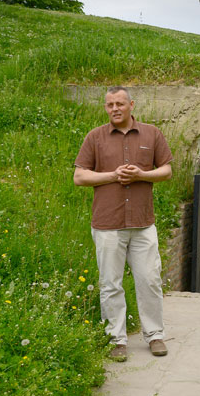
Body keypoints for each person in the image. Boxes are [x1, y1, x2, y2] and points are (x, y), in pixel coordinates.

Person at [73, 86, 173, 362]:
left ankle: (154, 336)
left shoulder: (151, 133)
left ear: (131, 104)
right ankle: (116, 339)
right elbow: (80, 177)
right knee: (110, 284)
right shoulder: (95, 137)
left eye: (119, 103)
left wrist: (141, 174)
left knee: (150, 280)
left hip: (142, 223)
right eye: (109, 105)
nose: (114, 109)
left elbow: (167, 170)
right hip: (107, 223)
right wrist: (112, 176)